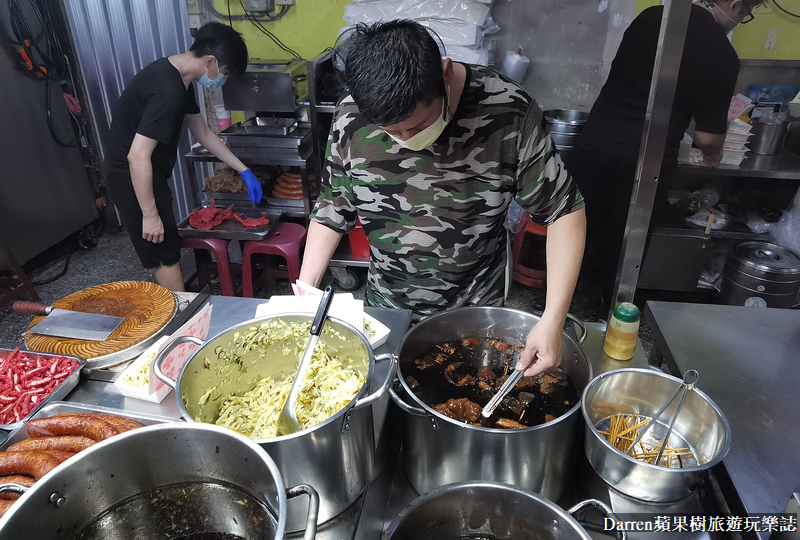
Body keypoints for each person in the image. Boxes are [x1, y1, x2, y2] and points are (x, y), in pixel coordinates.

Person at [298, 20, 586, 378]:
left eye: (417, 126)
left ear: (444, 73)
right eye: (391, 132)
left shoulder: (507, 111)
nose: (405, 139)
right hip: (387, 311)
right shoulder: (351, 115)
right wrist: (305, 295)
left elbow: (563, 211)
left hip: (474, 314)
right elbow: (331, 209)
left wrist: (553, 319)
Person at [565, 0, 761, 311]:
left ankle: (557, 308)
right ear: (734, 4)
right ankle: (607, 316)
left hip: (596, 142)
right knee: (625, 247)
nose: (740, 20)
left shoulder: (652, 16)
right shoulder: (723, 55)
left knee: (578, 230)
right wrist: (715, 152)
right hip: (648, 160)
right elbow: (707, 137)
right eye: (745, 14)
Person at [104, 22, 262, 291]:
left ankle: (180, 312)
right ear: (210, 61)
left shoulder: (179, 79)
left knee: (167, 245)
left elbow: (203, 132)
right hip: (131, 174)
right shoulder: (168, 90)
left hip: (146, 170)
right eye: (223, 72)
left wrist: (243, 170)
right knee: (164, 252)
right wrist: (150, 213)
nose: (221, 79)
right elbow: (137, 156)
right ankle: (181, 320)